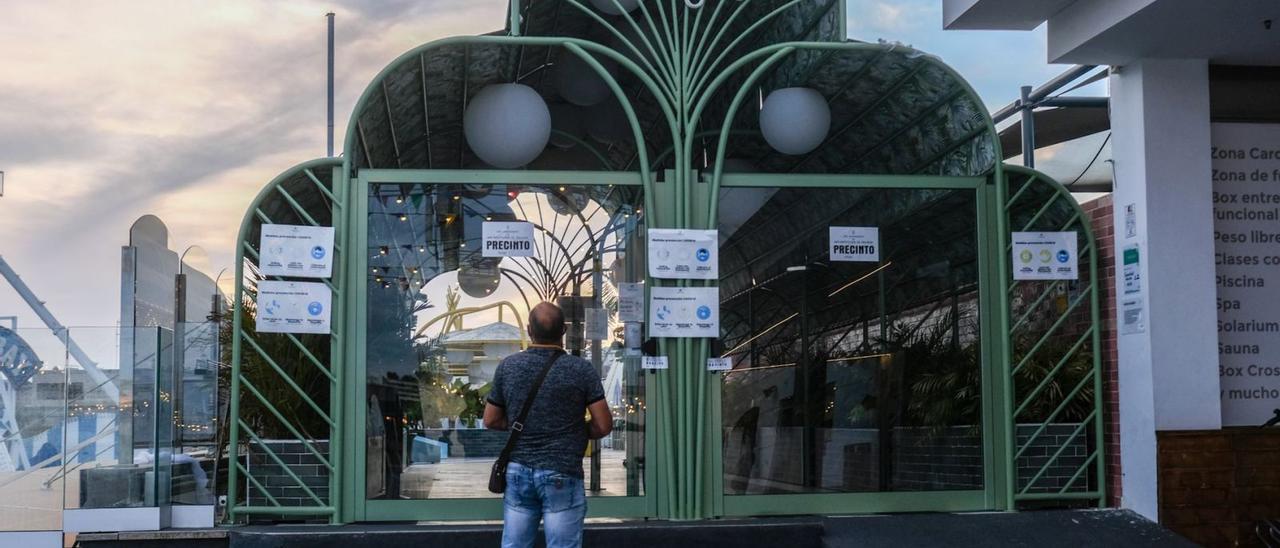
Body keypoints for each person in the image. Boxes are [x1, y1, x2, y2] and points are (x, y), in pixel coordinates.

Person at [484, 302, 613, 548]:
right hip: (562, 471)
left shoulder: (508, 367)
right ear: (563, 331)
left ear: (529, 329)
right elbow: (604, 425)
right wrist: (573, 430)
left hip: (519, 471)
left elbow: (490, 419)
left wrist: (526, 426)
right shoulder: (581, 370)